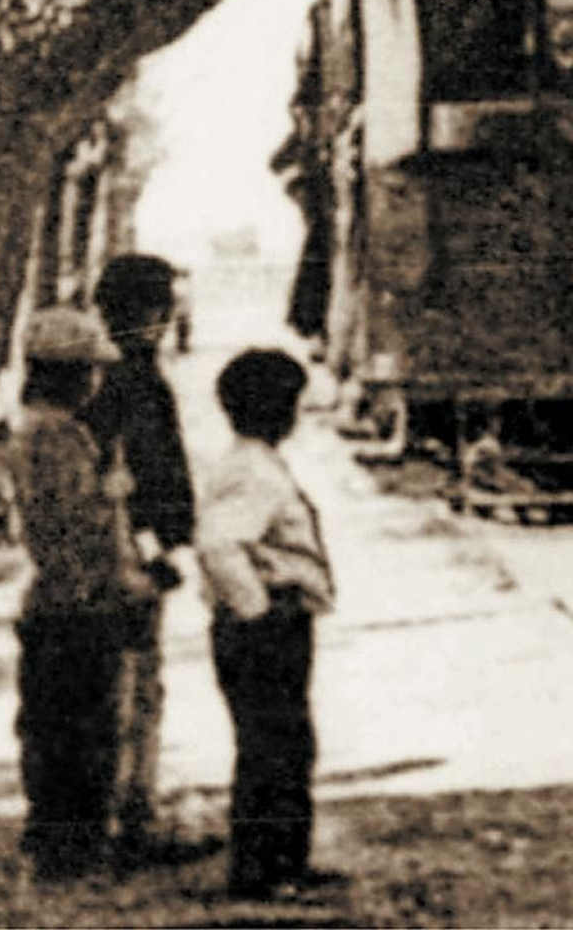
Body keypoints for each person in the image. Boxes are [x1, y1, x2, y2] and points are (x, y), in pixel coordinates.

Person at [196, 350, 340, 901]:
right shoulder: (252, 472)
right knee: (272, 743)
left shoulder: (253, 463)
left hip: (273, 619)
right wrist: (255, 608)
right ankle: (265, 870)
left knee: (285, 741)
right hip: (266, 623)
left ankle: (285, 860)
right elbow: (219, 543)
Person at [7, 306, 131, 882]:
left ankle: (62, 842)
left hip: (55, 601)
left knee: (53, 726)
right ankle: (72, 850)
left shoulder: (31, 428)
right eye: (88, 370)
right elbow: (72, 524)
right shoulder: (56, 435)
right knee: (79, 730)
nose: (96, 380)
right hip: (75, 603)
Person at [86, 253, 195, 862]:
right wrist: (162, 549)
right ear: (152, 313)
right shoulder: (135, 382)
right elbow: (146, 477)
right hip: (132, 555)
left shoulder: (104, 377)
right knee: (133, 682)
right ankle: (131, 817)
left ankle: (122, 811)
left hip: (116, 550)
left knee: (119, 682)